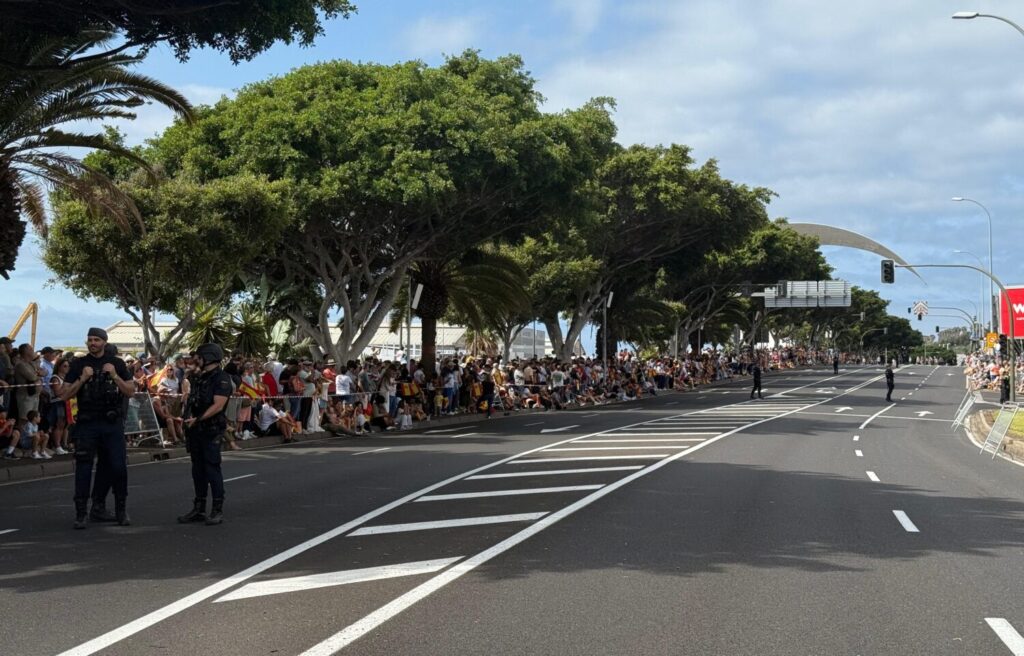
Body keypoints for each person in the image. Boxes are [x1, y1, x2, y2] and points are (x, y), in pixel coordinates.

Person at [60, 328, 135, 529]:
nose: (92, 343)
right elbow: (65, 395)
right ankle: (81, 513)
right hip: (87, 423)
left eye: (97, 340)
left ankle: (119, 509)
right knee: (84, 467)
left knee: (117, 466)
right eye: (90, 340)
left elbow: (130, 391)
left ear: (104, 342)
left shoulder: (117, 363)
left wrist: (115, 376)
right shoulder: (79, 364)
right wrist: (82, 379)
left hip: (111, 423)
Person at [178, 343, 232, 526]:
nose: (196, 360)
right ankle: (199, 508)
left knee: (212, 468)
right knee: (197, 470)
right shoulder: (199, 377)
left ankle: (217, 509)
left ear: (208, 358)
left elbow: (218, 405)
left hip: (211, 429)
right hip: (196, 429)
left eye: (199, 357)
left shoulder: (221, 378)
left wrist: (198, 419)